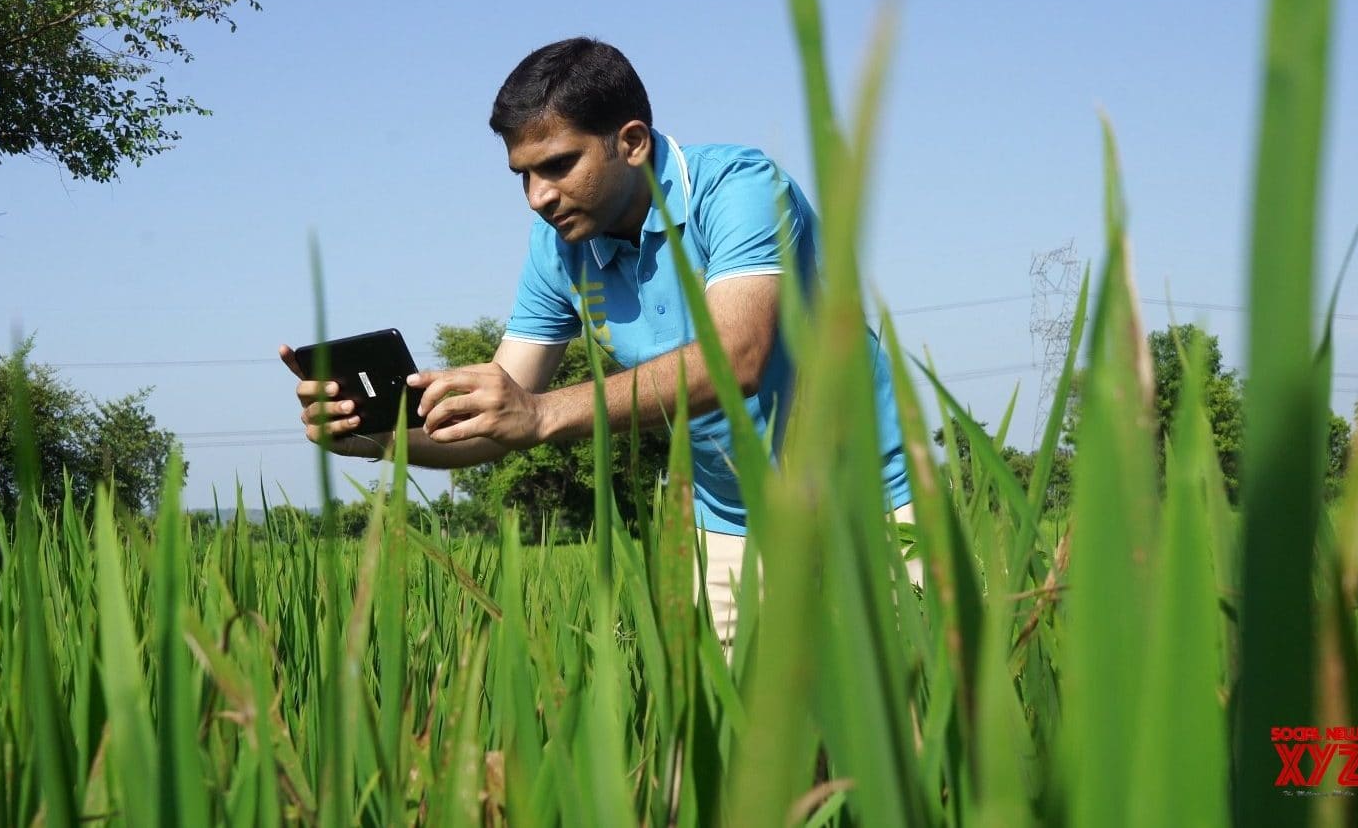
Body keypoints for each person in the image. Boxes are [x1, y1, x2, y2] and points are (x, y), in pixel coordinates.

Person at [279, 37, 913, 645]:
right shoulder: (558, 249)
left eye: (557, 165)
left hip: (870, 503)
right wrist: (375, 439)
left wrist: (540, 413)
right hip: (731, 527)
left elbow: (737, 360)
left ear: (631, 142)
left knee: (901, 741)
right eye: (522, 176)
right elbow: (497, 422)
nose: (538, 198)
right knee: (746, 750)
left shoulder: (740, 189)